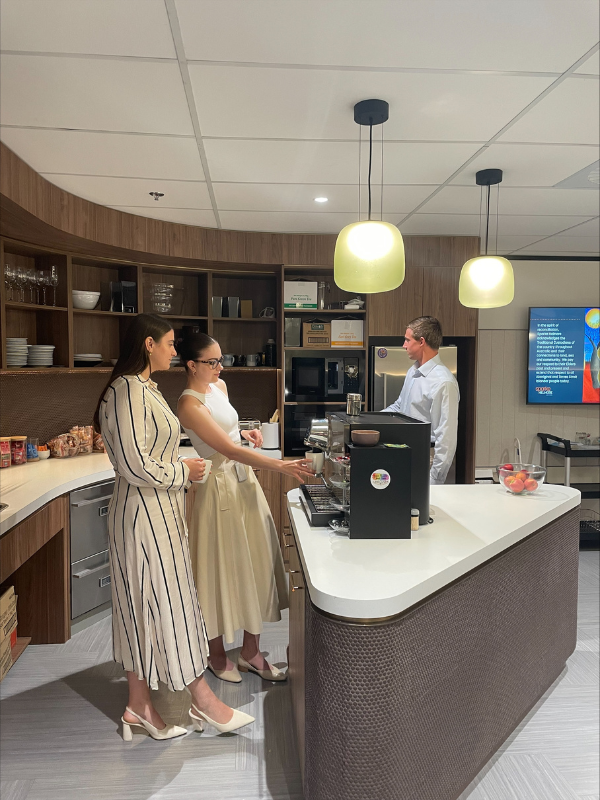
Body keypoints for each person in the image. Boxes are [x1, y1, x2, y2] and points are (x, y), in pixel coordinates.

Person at [94, 313, 254, 740]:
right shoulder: (126, 391)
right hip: (143, 516)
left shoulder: (144, 389)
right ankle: (203, 700)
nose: (173, 351)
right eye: (168, 343)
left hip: (158, 513)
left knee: (146, 607)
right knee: (170, 605)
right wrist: (183, 471)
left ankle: (138, 706)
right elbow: (134, 463)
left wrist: (180, 468)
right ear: (147, 344)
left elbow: (149, 451)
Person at [177, 333, 314, 684]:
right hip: (219, 490)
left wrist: (248, 433)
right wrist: (281, 465)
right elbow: (227, 450)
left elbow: (232, 436)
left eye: (221, 360)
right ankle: (216, 653)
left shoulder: (218, 387)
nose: (220, 367)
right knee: (218, 569)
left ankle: (251, 652)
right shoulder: (188, 404)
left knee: (257, 561)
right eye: (212, 362)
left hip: (244, 485)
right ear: (191, 365)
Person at [383, 316, 459, 485]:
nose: (404, 345)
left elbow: (446, 438)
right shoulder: (413, 371)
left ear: (421, 341)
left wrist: (435, 480)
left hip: (427, 459)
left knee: (421, 509)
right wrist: (367, 420)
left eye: (407, 340)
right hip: (406, 453)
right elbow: (399, 407)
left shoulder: (443, 383)